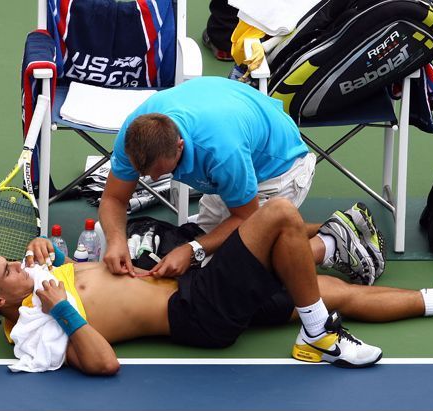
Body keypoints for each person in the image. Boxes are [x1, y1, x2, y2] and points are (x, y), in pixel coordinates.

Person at [0, 199, 433, 376]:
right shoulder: (35, 333)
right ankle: (321, 333)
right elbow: (104, 363)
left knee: (319, 289)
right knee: (277, 214)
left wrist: (48, 248)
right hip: (196, 313)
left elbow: (68, 262)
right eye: (9, 269)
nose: (19, 264)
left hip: (195, 286)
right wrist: (64, 308)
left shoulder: (33, 283)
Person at [100, 76, 385, 284]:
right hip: (236, 149)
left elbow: (247, 221)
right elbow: (114, 198)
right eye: (144, 172)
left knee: (241, 265)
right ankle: (341, 225)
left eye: (160, 172)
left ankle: (332, 244)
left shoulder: (222, 152)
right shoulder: (134, 135)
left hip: (279, 168)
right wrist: (116, 241)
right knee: (206, 256)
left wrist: (193, 250)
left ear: (179, 147)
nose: (150, 179)